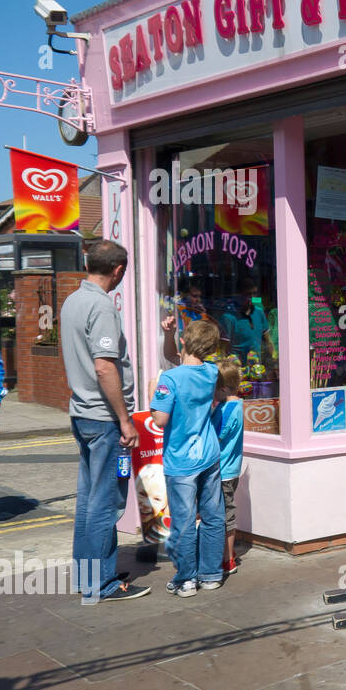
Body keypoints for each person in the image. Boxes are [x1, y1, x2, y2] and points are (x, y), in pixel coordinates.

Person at [60, 240, 147, 601]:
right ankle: (102, 583)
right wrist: (125, 421)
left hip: (81, 413)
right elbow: (104, 365)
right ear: (118, 270)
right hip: (104, 418)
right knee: (106, 502)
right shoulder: (101, 307)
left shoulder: (72, 301)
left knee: (89, 499)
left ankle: (88, 575)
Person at [151, 318, 224, 596]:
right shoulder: (211, 372)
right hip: (209, 454)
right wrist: (168, 334)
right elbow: (176, 359)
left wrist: (154, 394)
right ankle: (210, 574)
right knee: (212, 516)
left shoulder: (170, 379)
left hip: (181, 460)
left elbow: (160, 419)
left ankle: (186, 579)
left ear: (185, 341)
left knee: (183, 521)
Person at [212, 356, 245, 576]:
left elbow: (217, 436)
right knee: (225, 513)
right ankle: (226, 556)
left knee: (225, 516)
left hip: (222, 471)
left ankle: (227, 558)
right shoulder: (239, 404)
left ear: (222, 389)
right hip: (230, 469)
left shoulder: (226, 410)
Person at [220, 277, 271, 362]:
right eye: (247, 294)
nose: (251, 298)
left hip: (257, 368)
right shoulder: (228, 317)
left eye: (254, 294)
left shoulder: (259, 312)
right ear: (238, 295)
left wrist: (272, 359)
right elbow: (223, 348)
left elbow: (268, 340)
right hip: (237, 369)